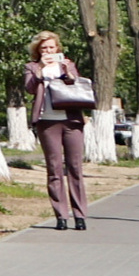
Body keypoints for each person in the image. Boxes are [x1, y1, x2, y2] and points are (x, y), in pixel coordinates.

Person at [24, 31, 92, 230]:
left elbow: (75, 83)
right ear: (38, 50)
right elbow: (29, 88)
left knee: (75, 168)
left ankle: (80, 215)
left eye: (52, 47)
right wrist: (41, 71)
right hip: (47, 122)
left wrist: (67, 72)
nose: (48, 51)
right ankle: (61, 216)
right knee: (54, 169)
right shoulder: (32, 67)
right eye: (44, 48)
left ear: (58, 49)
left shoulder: (67, 64)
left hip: (71, 121)